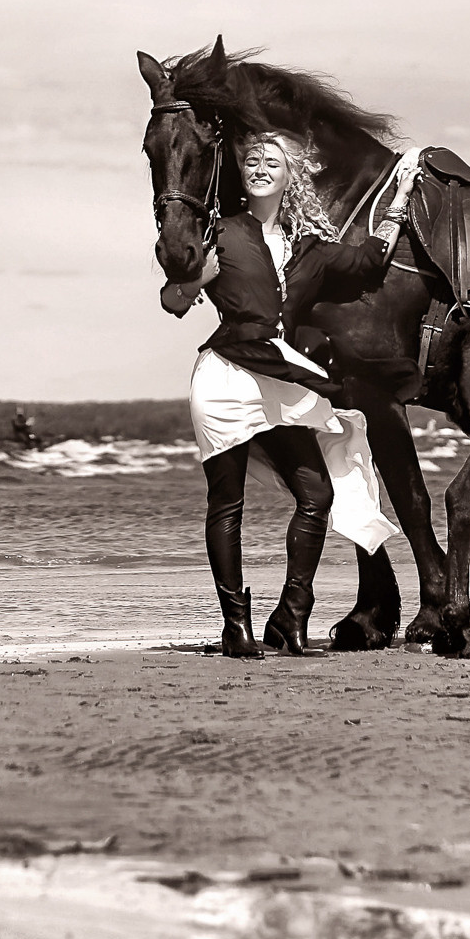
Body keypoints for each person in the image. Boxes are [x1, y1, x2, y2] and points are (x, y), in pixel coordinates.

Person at [161, 131, 419, 657]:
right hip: (226, 378)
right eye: (251, 159)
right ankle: (237, 626)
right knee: (227, 502)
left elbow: (369, 263)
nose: (259, 167)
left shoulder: (310, 251)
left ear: (288, 176)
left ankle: (291, 614)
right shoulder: (218, 231)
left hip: (281, 380)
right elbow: (172, 300)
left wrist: (398, 203)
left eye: (271, 162)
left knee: (316, 494)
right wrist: (195, 282)